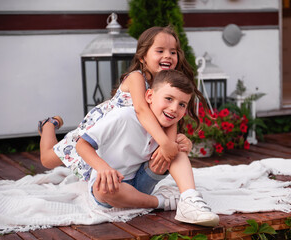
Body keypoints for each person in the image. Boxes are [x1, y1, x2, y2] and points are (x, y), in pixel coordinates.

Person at [38, 26, 204, 181]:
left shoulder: (167, 88)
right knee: (48, 159)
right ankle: (49, 125)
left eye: (173, 52)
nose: (168, 55)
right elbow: (141, 110)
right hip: (101, 128)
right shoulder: (136, 78)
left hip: (123, 139)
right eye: (160, 51)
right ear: (143, 57)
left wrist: (173, 143)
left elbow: (170, 122)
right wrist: (166, 143)